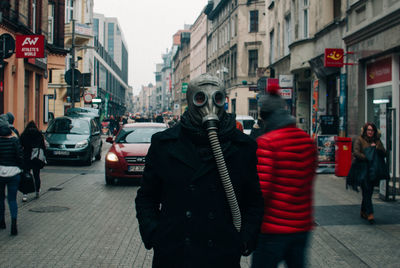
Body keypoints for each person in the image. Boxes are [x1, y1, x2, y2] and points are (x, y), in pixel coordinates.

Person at [135, 73, 264, 268]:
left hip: (221, 255)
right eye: (201, 98)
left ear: (224, 101)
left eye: (217, 98)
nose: (209, 107)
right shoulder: (164, 144)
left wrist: (245, 238)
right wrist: (154, 234)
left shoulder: (242, 147)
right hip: (174, 254)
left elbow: (253, 201)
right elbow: (146, 197)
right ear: (190, 101)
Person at [252, 85, 317, 268]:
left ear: (265, 116)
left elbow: (261, 190)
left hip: (273, 228)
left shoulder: (267, 143)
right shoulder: (306, 141)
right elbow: (309, 179)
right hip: (302, 226)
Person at [352, 122, 386, 224]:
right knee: (366, 189)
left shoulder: (377, 141)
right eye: (368, 130)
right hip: (363, 169)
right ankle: (370, 213)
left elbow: (384, 153)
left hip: (373, 170)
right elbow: (356, 152)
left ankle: (363, 210)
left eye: (372, 130)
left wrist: (376, 148)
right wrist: (367, 157)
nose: (370, 132)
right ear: (365, 131)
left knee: (369, 191)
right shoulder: (360, 140)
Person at [0, 116, 24, 235]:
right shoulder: (14, 141)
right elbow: (20, 156)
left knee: (0, 198)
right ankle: (14, 223)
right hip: (14, 173)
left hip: (0, 173)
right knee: (12, 199)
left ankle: (2, 221)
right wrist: (21, 168)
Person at [20, 121, 46, 202]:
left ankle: (25, 194)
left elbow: (20, 146)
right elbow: (43, 147)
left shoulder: (24, 135)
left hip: (27, 158)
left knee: (26, 176)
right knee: (36, 175)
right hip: (36, 158)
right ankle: (37, 191)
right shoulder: (39, 135)